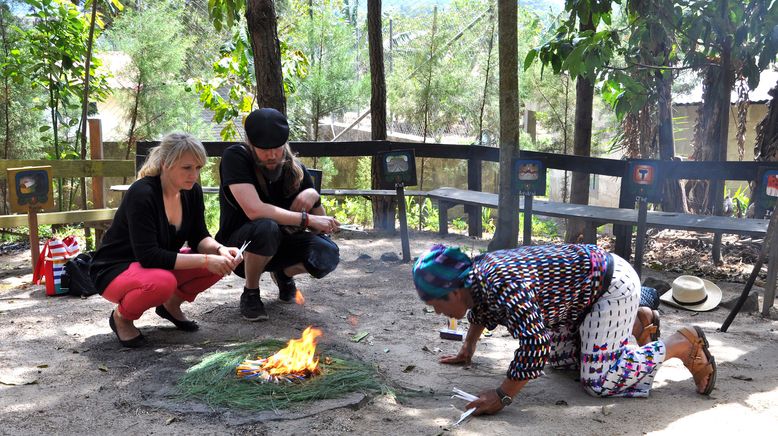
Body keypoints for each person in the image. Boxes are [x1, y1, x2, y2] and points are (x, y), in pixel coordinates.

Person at [412, 244, 716, 416]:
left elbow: (535, 343)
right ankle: (636, 323)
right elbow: (479, 309)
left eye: (434, 303)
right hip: (579, 297)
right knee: (563, 365)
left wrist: (502, 395)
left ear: (453, 292)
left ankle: (682, 344)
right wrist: (469, 347)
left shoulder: (501, 285)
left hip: (610, 286)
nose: (436, 311)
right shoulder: (473, 278)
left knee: (599, 382)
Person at [90, 133, 242, 348]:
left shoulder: (191, 191)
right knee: (163, 281)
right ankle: (122, 317)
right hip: (115, 269)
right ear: (165, 164)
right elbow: (149, 256)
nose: (194, 175)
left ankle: (171, 305)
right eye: (187, 168)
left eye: (198, 168)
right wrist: (206, 260)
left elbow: (199, 236)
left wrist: (220, 249)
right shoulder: (142, 193)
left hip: (156, 266)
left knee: (219, 262)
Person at [216, 108, 340, 321]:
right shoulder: (235, 157)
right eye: (264, 150)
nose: (272, 155)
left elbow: (320, 226)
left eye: (277, 148)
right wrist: (306, 219)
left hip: (280, 246)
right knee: (266, 226)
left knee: (327, 253)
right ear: (250, 143)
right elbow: (255, 210)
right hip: (240, 248)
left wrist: (313, 196)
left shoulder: (295, 169)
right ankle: (251, 293)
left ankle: (283, 274)